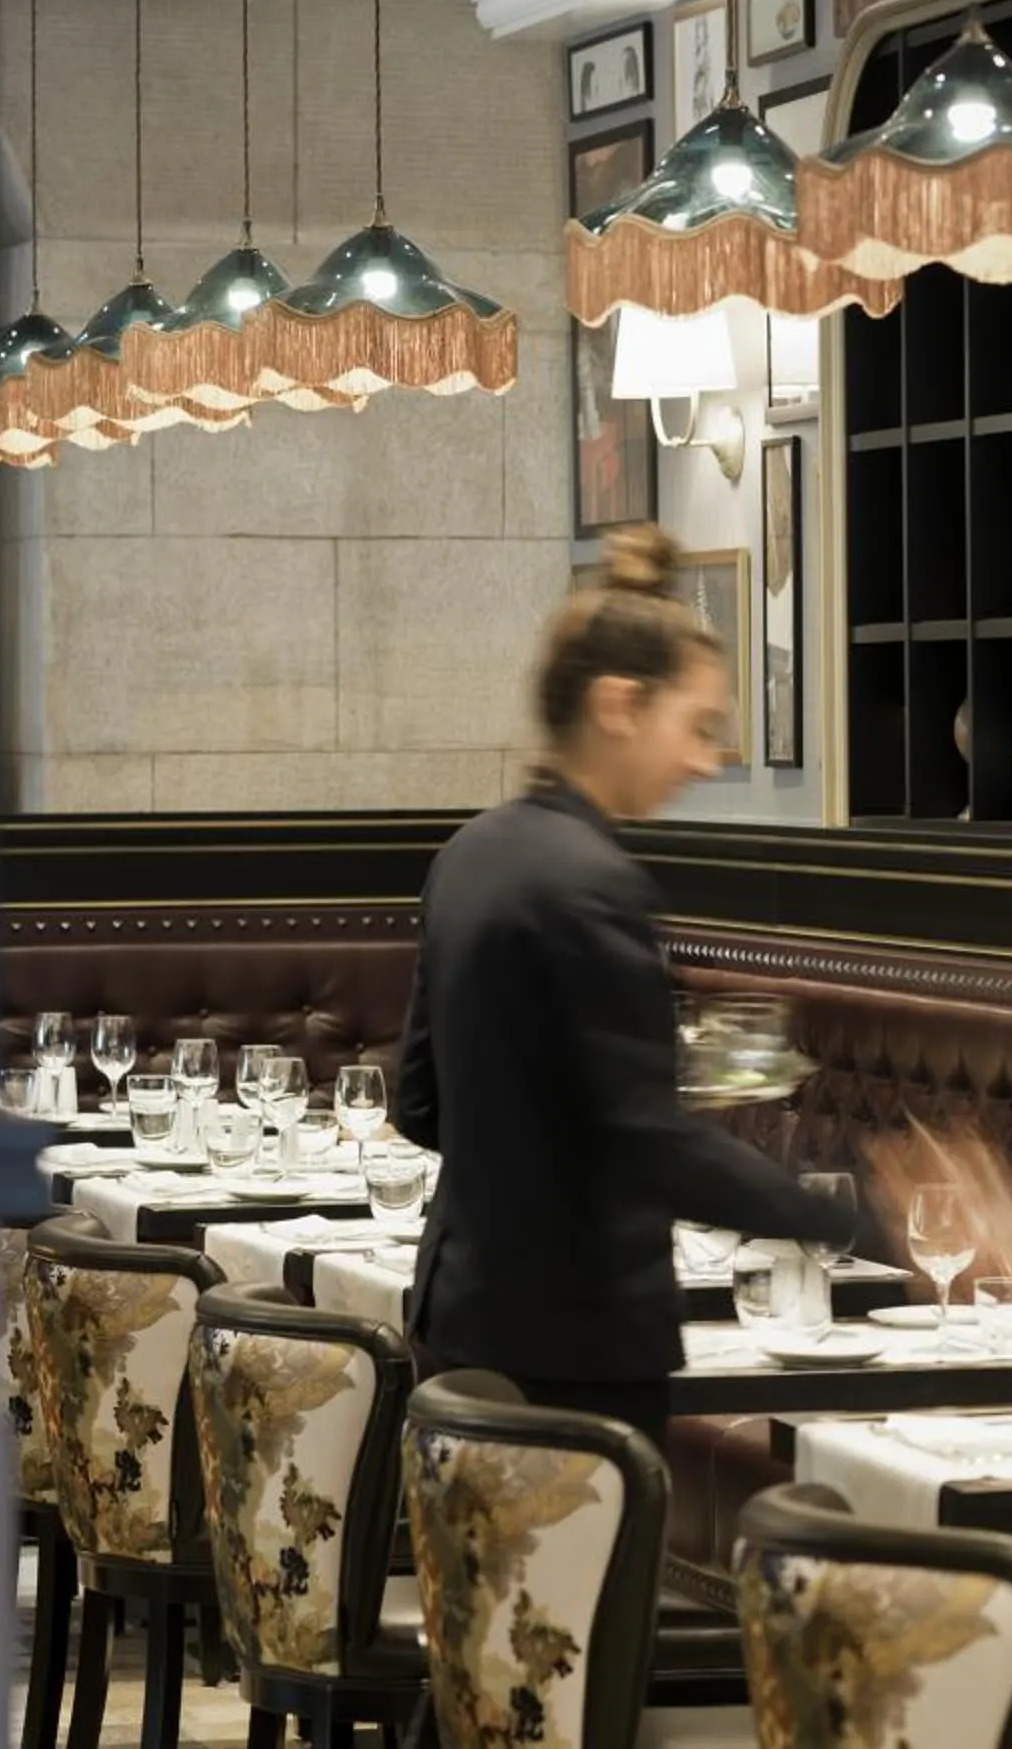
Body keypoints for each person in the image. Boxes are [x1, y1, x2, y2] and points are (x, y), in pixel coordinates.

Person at [391, 524, 852, 1451]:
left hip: (457, 1319)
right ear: (618, 706)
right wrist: (842, 1217)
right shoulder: (592, 883)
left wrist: (525, 1161)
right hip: (573, 1350)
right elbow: (646, 1144)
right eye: (699, 728)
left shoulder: (471, 854)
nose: (707, 761)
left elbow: (419, 1102)